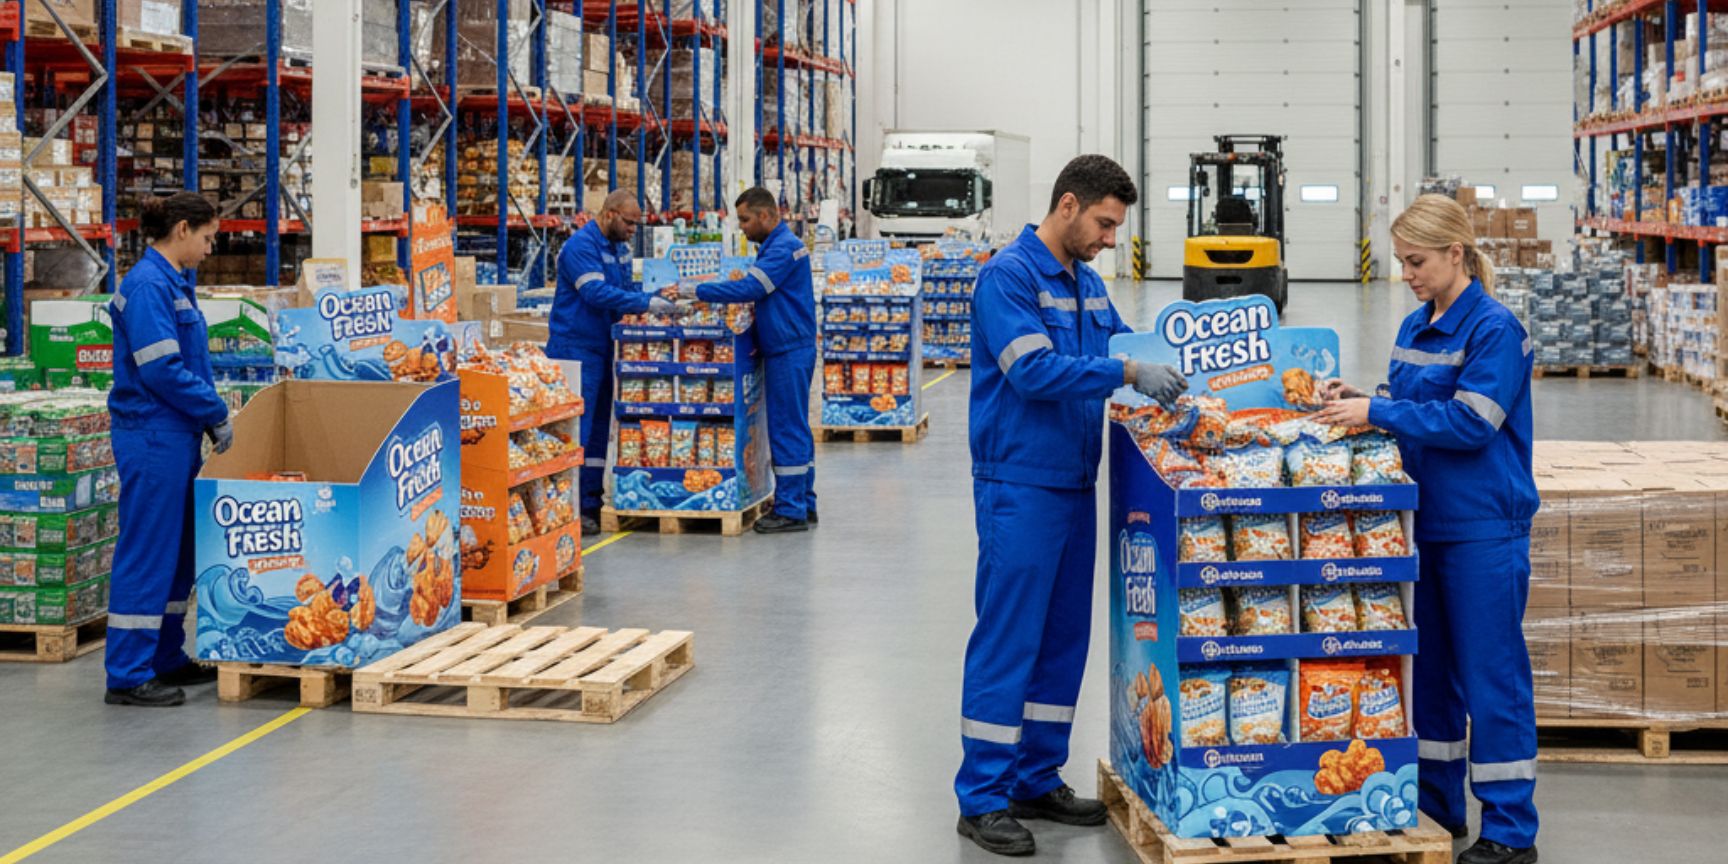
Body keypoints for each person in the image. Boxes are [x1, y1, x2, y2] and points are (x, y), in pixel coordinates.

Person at [955, 155, 1185, 857]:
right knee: (1009, 637)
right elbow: (1031, 371)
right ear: (1067, 206)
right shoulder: (1009, 277)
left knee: (1062, 639)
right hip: (1020, 482)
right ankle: (983, 797)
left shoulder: (1085, 283)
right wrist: (1129, 372)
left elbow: (1126, 344)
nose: (1111, 239)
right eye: (1105, 224)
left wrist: (1189, 372)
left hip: (1075, 480)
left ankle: (1035, 777)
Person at [1313, 193, 1539, 864]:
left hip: (1482, 527)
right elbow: (1406, 405)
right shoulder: (1417, 324)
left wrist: (1377, 413)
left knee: (1492, 676)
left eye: (1416, 262)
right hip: (1420, 524)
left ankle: (1510, 829)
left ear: (1455, 253)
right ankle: (1438, 808)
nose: (1407, 274)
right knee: (1431, 674)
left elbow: (1472, 423)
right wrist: (1363, 401)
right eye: (1402, 261)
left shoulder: (1496, 330)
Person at [104, 192, 233, 707]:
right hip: (152, 435)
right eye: (207, 237)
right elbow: (160, 369)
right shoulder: (148, 286)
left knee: (179, 553)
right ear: (182, 230)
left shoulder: (174, 283)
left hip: (175, 434)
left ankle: (164, 655)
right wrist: (214, 410)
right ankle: (127, 674)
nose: (210, 248)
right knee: (149, 552)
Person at [685, 187, 818, 534]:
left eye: (745, 220)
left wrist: (696, 290)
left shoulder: (782, 249)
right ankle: (803, 501)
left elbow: (750, 289)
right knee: (796, 425)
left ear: (765, 215)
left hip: (789, 348)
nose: (742, 227)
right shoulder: (776, 246)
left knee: (786, 427)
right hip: (787, 345)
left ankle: (791, 510)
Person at [549, 190, 679, 535]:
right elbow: (595, 294)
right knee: (577, 429)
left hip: (605, 345)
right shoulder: (580, 247)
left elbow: (624, 289)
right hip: (575, 348)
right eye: (630, 223)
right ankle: (569, 507)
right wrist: (646, 303)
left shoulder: (618, 248)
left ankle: (590, 500)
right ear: (609, 214)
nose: (634, 230)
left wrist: (655, 295)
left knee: (598, 429)